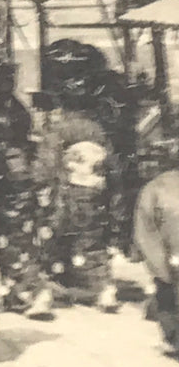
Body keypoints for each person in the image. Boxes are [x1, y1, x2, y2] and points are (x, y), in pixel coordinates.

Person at [0, 57, 54, 318]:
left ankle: (28, 290)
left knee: (12, 239)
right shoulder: (16, 108)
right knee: (15, 239)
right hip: (13, 177)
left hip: (6, 178)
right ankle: (19, 291)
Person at [38, 74, 118, 311]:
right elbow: (110, 164)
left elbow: (48, 164)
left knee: (59, 239)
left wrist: (46, 184)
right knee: (93, 240)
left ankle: (56, 284)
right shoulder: (98, 130)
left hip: (68, 190)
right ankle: (104, 288)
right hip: (95, 191)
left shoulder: (59, 130)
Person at [134, 142, 179, 357]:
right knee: (168, 298)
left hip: (170, 260)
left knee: (167, 298)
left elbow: (145, 230)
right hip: (172, 258)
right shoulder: (156, 188)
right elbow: (146, 229)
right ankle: (173, 338)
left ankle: (173, 338)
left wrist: (158, 265)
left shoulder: (155, 188)